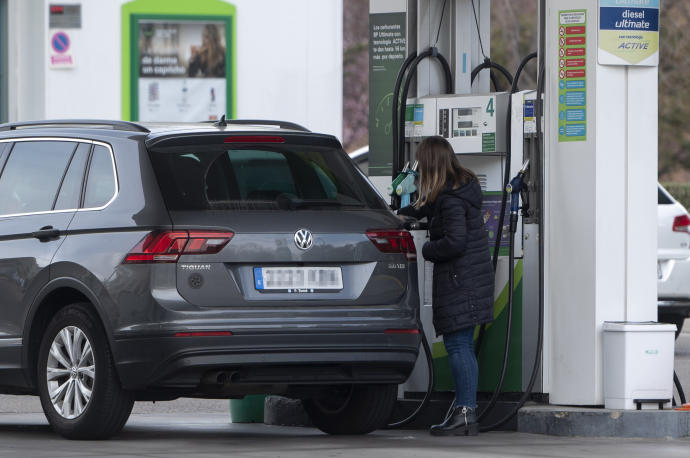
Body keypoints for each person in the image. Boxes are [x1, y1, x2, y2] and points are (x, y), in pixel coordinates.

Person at [399, 136, 494, 436]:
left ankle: (466, 413)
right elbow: (427, 209)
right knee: (461, 345)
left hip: (461, 281)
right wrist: (404, 214)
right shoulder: (454, 191)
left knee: (458, 346)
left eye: (421, 164)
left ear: (431, 164)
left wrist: (427, 250)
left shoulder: (451, 199)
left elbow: (455, 241)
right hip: (466, 279)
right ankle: (464, 411)